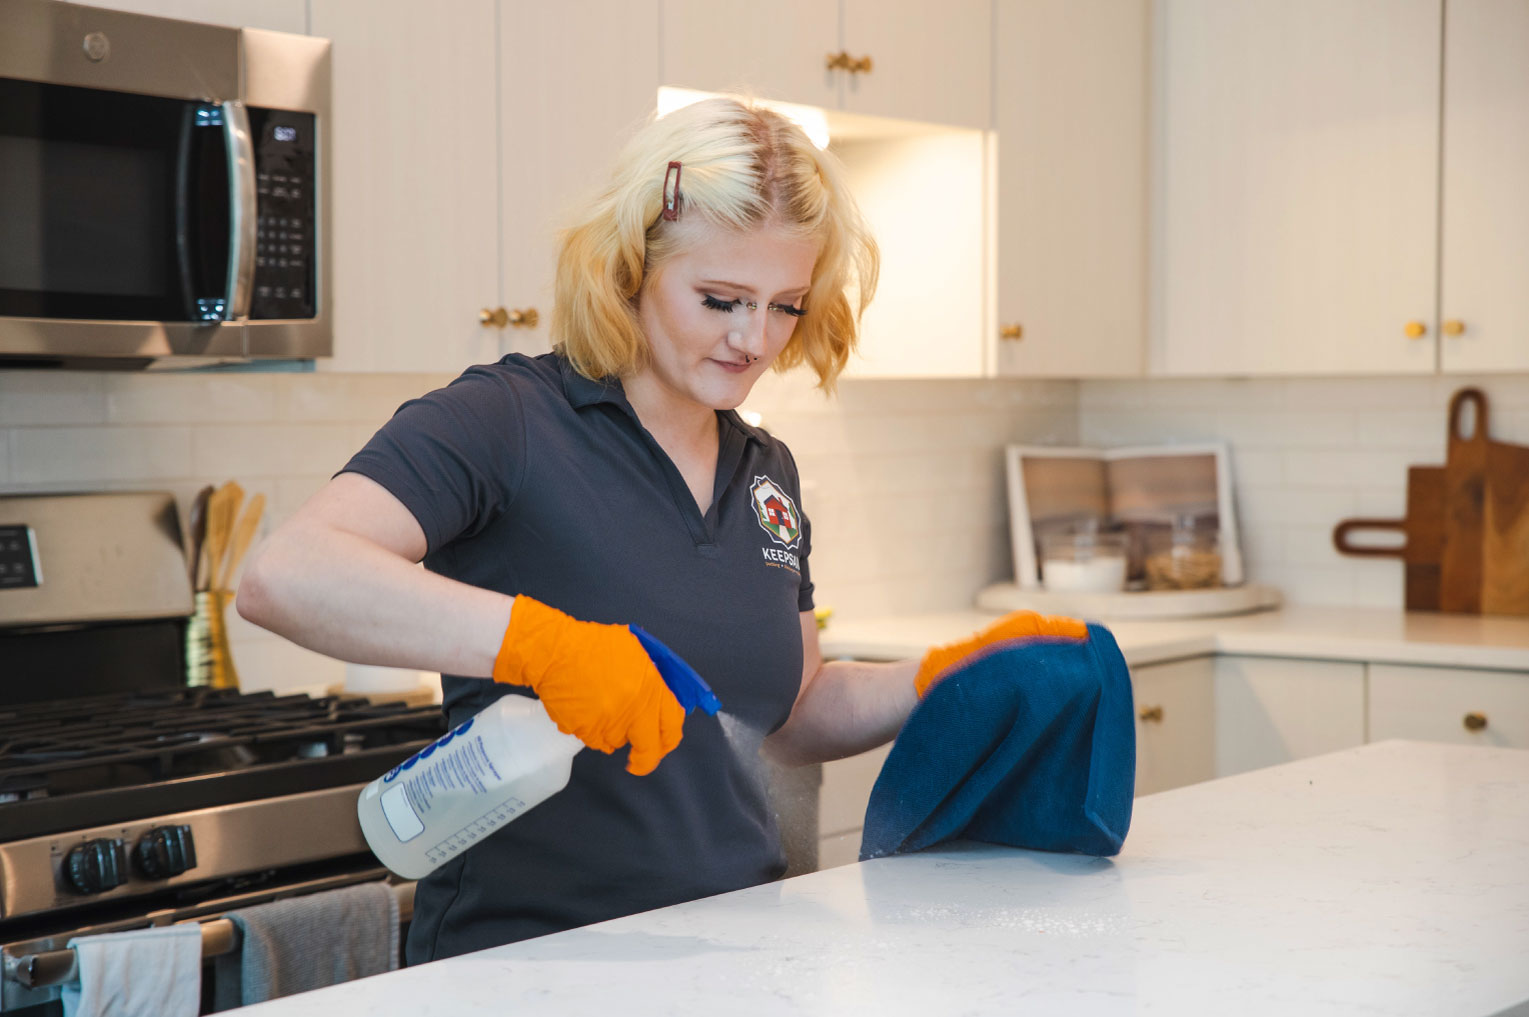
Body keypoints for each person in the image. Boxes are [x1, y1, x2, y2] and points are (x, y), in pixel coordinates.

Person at [237, 96, 1049, 963]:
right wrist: (545, 647)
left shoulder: (765, 469)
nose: (753, 339)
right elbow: (285, 574)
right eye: (720, 299)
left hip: (740, 955)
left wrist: (942, 675)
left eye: (784, 306)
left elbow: (793, 708)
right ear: (629, 269)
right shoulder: (507, 420)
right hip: (528, 967)